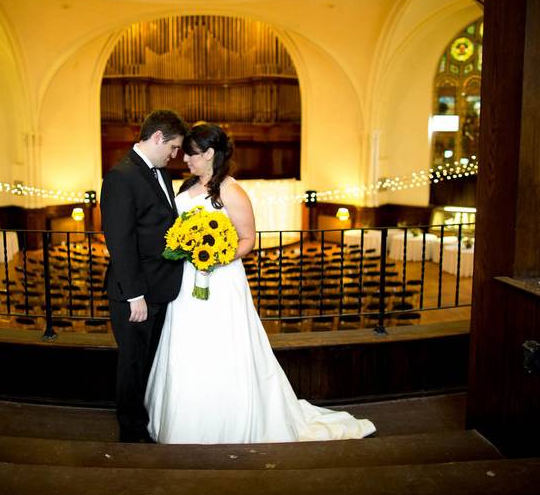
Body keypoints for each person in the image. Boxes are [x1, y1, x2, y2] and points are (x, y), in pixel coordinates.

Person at [145, 122, 377, 443]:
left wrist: (216, 257)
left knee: (222, 346)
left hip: (221, 280)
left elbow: (248, 239)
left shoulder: (231, 190)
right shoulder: (184, 189)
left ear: (210, 154)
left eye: (192, 155)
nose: (185, 160)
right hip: (185, 281)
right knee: (187, 343)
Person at [100, 109, 189, 443]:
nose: (175, 155)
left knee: (148, 362)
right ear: (157, 138)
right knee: (133, 364)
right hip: (136, 294)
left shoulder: (160, 174)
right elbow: (120, 240)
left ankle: (144, 420)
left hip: (159, 287)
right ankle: (132, 433)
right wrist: (134, 295)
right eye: (174, 147)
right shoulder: (121, 176)